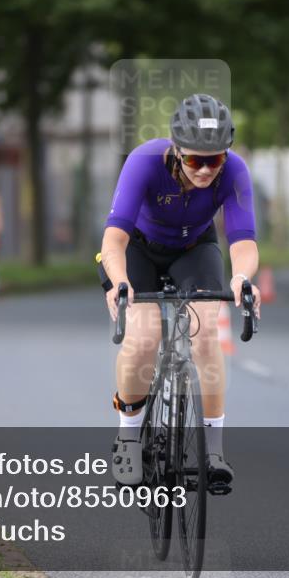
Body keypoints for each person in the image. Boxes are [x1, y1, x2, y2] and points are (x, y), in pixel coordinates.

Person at [99, 93, 261, 489]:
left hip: (194, 248)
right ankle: (128, 438)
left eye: (215, 159)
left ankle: (214, 451)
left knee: (206, 333)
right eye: (194, 160)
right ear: (175, 150)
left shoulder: (235, 171)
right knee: (144, 337)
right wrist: (120, 282)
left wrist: (241, 278)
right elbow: (114, 239)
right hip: (138, 249)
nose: (205, 170)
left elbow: (242, 241)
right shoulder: (144, 162)